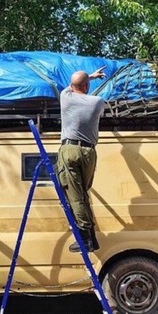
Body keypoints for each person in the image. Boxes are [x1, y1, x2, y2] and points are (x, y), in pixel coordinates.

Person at [57, 67, 106, 252]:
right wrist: (91, 78)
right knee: (82, 194)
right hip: (89, 153)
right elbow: (80, 86)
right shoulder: (97, 102)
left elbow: (72, 86)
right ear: (86, 85)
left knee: (74, 197)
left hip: (70, 150)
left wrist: (90, 77)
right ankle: (91, 238)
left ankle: (84, 239)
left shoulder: (65, 97)